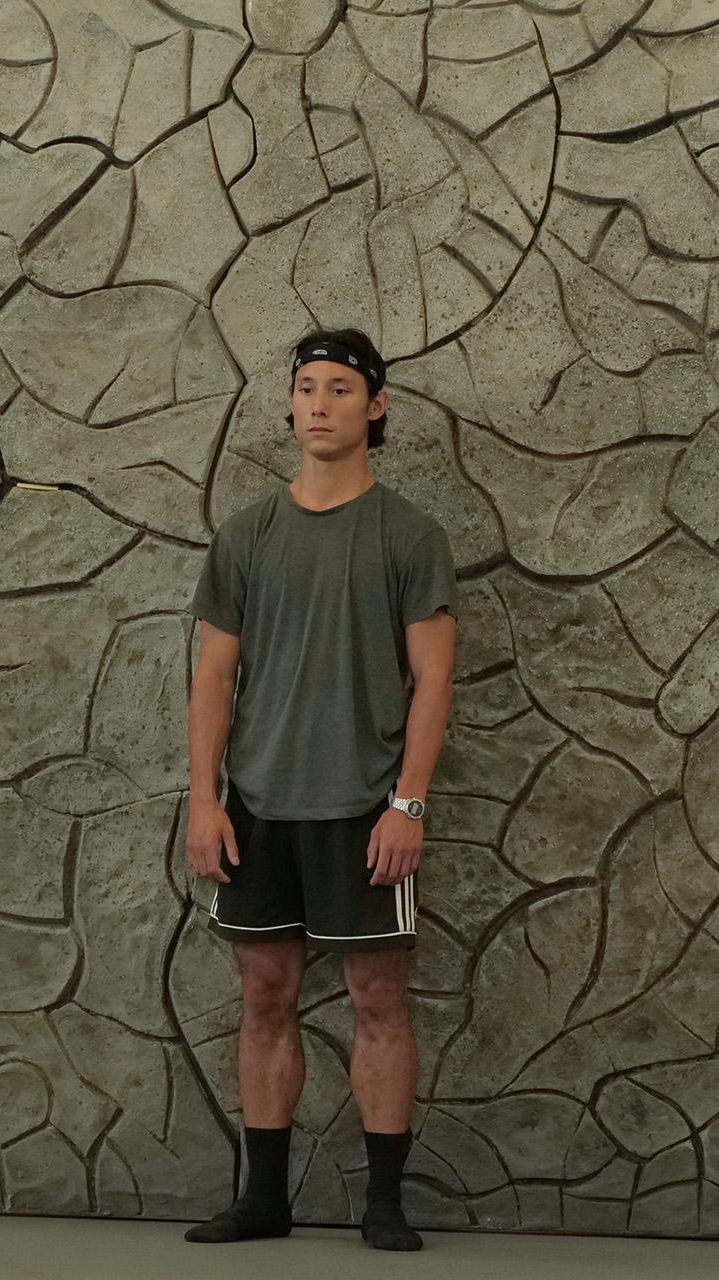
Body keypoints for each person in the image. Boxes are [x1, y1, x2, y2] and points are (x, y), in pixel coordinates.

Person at [181, 328, 458, 1252]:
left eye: (341, 388)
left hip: (365, 809)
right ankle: (265, 1199)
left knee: (379, 998)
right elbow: (214, 679)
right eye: (307, 387)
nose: (320, 403)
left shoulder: (410, 536)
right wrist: (205, 799)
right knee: (265, 995)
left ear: (374, 408)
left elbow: (434, 682)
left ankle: (383, 1203)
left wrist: (408, 803)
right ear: (290, 405)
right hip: (257, 808)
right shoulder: (248, 534)